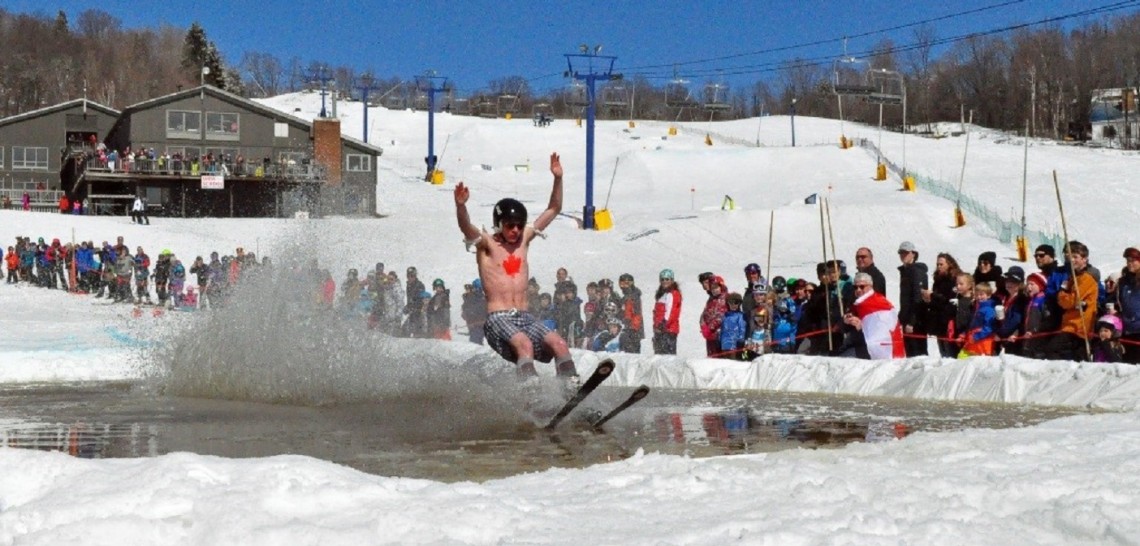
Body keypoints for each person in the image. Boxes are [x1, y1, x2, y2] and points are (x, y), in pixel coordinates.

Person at [454, 152, 579, 382]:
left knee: (559, 344)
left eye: (519, 226)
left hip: (524, 316)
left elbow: (554, 208)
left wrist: (558, 178)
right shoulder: (487, 244)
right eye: (510, 226)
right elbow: (466, 227)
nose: (516, 231)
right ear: (499, 224)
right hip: (497, 319)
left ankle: (569, 392)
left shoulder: (525, 239)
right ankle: (531, 396)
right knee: (524, 345)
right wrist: (461, 207)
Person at [844, 272, 905, 359]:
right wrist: (846, 320)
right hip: (860, 345)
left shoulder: (879, 302)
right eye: (855, 287)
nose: (858, 290)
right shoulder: (857, 303)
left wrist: (861, 326)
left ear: (870, 286)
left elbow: (881, 330)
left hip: (880, 350)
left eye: (862, 287)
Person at [897, 241, 929, 357]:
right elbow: (905, 299)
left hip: (916, 321)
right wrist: (901, 318)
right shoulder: (905, 271)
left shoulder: (916, 271)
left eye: (906, 253)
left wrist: (912, 322)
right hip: (907, 319)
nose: (903, 255)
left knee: (918, 353)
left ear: (913, 254)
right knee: (910, 353)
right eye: (901, 253)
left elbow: (918, 298)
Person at [652, 268, 682, 355]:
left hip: (668, 330)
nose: (665, 281)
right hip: (660, 329)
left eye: (667, 279)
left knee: (667, 356)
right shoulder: (663, 294)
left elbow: (671, 311)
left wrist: (663, 324)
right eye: (662, 279)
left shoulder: (672, 293)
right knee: (659, 354)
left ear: (672, 280)